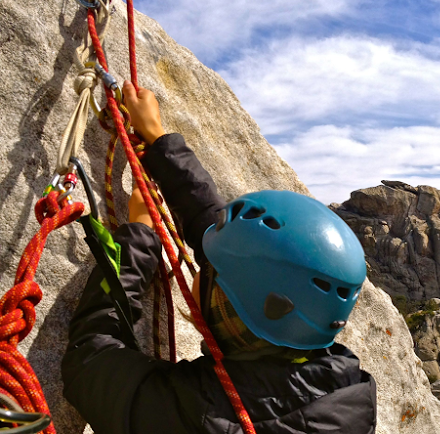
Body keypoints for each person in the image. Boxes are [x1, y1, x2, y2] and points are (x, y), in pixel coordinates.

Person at [60, 85, 377, 433]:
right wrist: (160, 142)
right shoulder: (344, 388)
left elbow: (91, 358)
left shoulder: (200, 415)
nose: (201, 265)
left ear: (232, 309)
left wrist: (140, 236)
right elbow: (237, 241)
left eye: (210, 268)